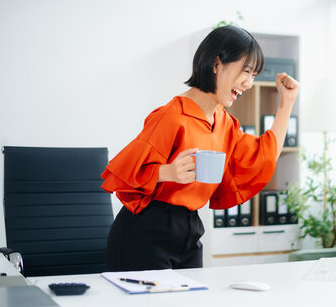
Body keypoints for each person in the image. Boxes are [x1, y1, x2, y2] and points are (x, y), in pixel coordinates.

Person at [101, 25, 299, 271]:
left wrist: (286, 103)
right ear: (217, 64)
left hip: (190, 231)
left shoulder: (225, 123)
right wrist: (167, 172)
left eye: (254, 76)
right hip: (145, 233)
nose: (249, 83)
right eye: (246, 71)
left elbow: (264, 156)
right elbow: (121, 174)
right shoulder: (172, 116)